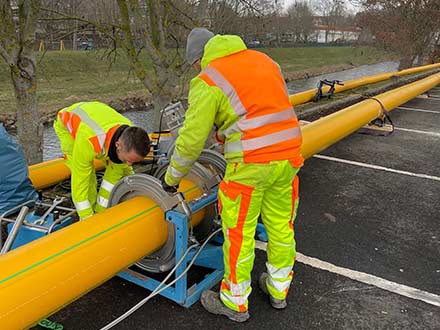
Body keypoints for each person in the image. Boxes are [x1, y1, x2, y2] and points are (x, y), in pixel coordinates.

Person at [162, 28, 303, 322]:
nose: (197, 69)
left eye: (195, 64)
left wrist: (172, 178)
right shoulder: (265, 61)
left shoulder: (209, 79)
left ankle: (234, 302)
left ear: (200, 58)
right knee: (280, 225)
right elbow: (260, 110)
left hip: (251, 164)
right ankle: (278, 290)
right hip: (289, 156)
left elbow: (190, 140)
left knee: (239, 232)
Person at [54, 101, 150, 220]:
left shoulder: (129, 134)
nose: (130, 164)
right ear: (117, 145)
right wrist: (88, 218)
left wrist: (102, 213)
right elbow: (80, 183)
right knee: (88, 179)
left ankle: (98, 212)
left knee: (120, 170)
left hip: (98, 117)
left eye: (133, 162)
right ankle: (89, 215)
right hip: (68, 126)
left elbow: (111, 182)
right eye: (128, 160)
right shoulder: (89, 140)